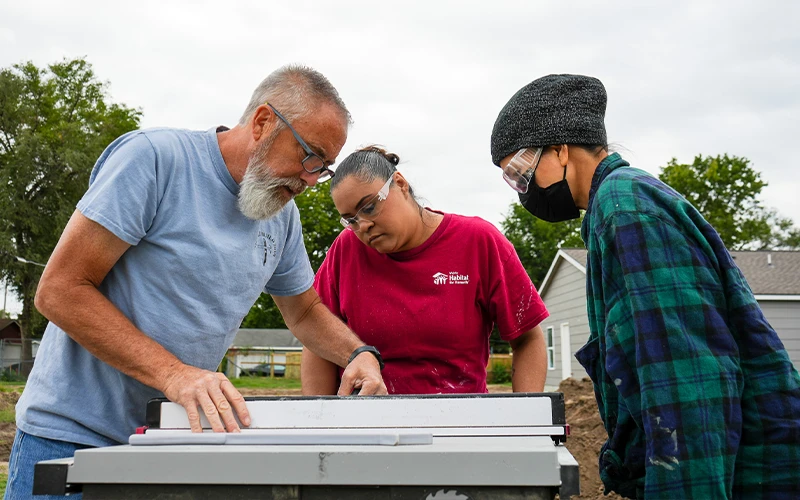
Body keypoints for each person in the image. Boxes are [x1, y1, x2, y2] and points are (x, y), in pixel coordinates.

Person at [6, 65, 388, 499]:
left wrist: (357, 354)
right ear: (263, 123)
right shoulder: (154, 160)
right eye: (310, 157)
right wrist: (175, 375)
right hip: (72, 442)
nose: (311, 179)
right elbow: (59, 290)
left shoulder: (281, 217)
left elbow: (303, 311)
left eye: (323, 166)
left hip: (169, 445)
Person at [490, 74, 800, 499]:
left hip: (747, 477)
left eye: (521, 172)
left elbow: (688, 385)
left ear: (561, 149)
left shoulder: (627, 209)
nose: (524, 191)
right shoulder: (613, 207)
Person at [301, 146, 549, 395]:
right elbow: (316, 339)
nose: (363, 225)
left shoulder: (478, 242)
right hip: (368, 423)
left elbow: (527, 338)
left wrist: (528, 424)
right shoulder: (347, 250)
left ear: (400, 184)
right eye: (351, 220)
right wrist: (319, 426)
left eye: (368, 207)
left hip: (459, 423)